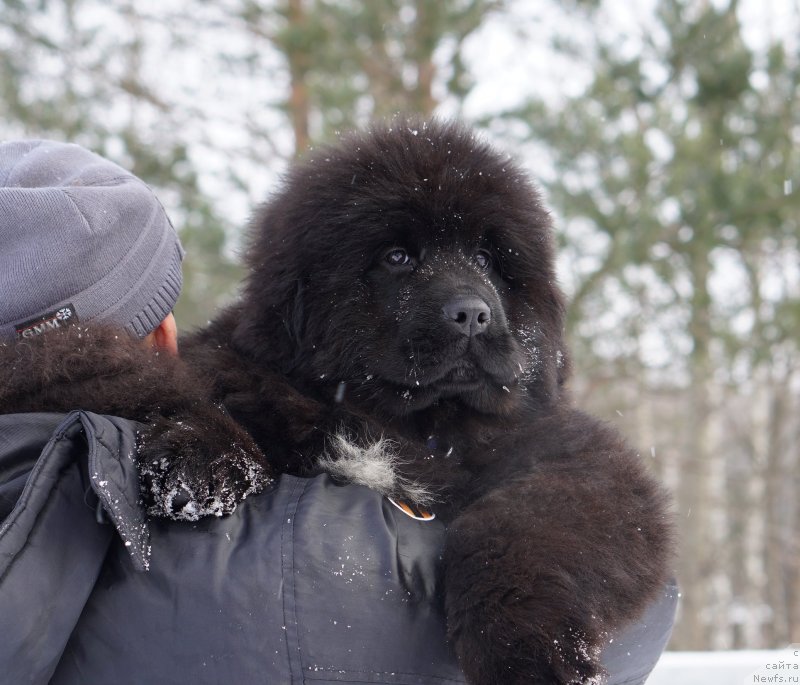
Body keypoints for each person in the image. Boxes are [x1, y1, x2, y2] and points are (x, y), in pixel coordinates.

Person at [0, 139, 677, 684]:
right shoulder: (223, 393)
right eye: (398, 256)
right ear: (300, 301)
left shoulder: (538, 444)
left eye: (486, 258)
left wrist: (517, 601)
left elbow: (603, 503)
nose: (469, 302)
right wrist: (204, 433)